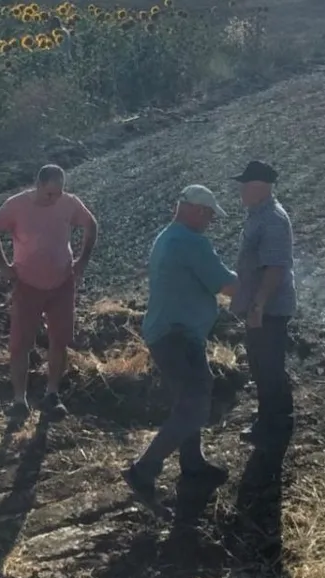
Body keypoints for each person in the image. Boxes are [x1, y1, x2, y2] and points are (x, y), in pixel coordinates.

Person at [123, 185, 237, 517]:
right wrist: (257, 289)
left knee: (191, 396)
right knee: (194, 406)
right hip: (177, 336)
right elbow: (225, 285)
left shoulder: (167, 237)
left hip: (172, 333)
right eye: (209, 214)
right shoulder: (190, 242)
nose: (211, 221)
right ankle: (143, 470)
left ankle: (193, 464)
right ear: (194, 210)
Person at [0, 164, 100, 421]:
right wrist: (4, 266)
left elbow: (91, 225)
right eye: (49, 193)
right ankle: (19, 400)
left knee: (59, 339)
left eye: (58, 193)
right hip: (27, 283)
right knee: (20, 343)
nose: (54, 198)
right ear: (38, 186)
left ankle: (52, 394)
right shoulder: (16, 205)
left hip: (62, 282)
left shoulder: (69, 203)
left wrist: (82, 261)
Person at [229, 160, 297, 446]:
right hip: (260, 305)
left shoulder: (272, 220)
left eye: (245, 184)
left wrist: (258, 305)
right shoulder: (258, 215)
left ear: (259, 187)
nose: (241, 190)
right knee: (261, 363)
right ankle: (272, 417)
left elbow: (275, 268)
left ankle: (275, 422)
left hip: (269, 308)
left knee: (268, 364)